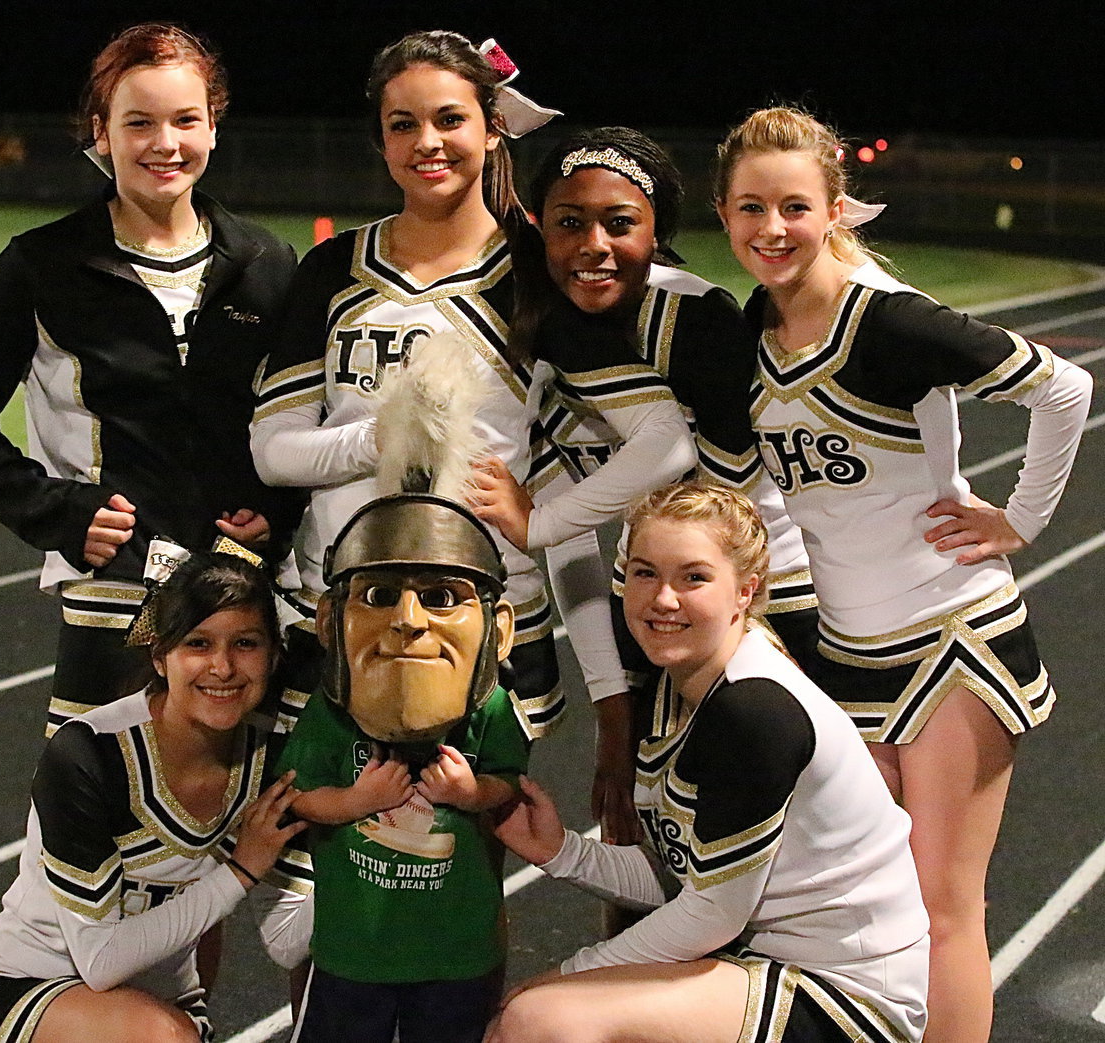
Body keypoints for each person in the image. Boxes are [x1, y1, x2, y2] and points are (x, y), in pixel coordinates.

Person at [713, 106, 1093, 1043]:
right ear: (724, 213)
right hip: (846, 652)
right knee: (866, 904)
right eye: (750, 207)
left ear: (835, 207)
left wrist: (1022, 520)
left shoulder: (886, 320)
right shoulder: (751, 333)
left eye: (794, 207)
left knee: (940, 906)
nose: (771, 228)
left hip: (950, 641)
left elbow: (1065, 387)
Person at [250, 30, 693, 743]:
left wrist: (544, 523)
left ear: (493, 129)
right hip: (339, 610)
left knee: (459, 843)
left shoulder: (533, 274)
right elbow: (274, 452)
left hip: (482, 623)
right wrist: (393, 436)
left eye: (449, 119)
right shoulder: (333, 268)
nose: (428, 141)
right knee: (324, 846)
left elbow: (663, 438)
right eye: (404, 124)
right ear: (382, 141)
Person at [0, 23, 303, 735]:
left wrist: (271, 514)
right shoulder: (44, 264)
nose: (166, 143)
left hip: (244, 597)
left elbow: (297, 420)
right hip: (114, 602)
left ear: (214, 127)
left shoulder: (269, 263)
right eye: (140, 122)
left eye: (187, 119)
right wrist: (54, 511)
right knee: (95, 818)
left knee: (252, 821)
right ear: (101, 132)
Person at [489, 481, 929, 1043]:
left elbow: (713, 914)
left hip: (848, 998)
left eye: (693, 577)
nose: (663, 599)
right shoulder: (680, 682)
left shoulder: (754, 710)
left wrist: (563, 978)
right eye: (645, 573)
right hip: (762, 961)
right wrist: (561, 852)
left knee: (541, 1021)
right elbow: (688, 881)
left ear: (746, 591)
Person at [515, 126, 821, 844]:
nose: (594, 244)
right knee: (638, 832)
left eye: (620, 224)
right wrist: (613, 714)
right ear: (540, 231)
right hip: (654, 600)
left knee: (766, 834)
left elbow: (738, 521)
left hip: (768, 600)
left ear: (659, 232)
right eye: (569, 222)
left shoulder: (696, 319)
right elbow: (570, 537)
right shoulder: (545, 329)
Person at [0, 550, 314, 1043]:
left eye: (246, 643)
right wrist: (240, 872)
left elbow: (285, 940)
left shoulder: (271, 753)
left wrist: (377, 850)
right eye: (198, 643)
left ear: (273, 655)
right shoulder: (90, 754)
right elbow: (101, 961)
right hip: (37, 985)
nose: (223, 666)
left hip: (165, 1005)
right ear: (159, 656)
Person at [277, 493, 529, 1043]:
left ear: (499, 628)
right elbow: (297, 794)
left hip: (456, 953)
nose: (408, 620)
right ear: (329, 620)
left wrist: (470, 792)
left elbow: (509, 784)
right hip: (353, 949)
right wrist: (354, 803)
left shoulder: (492, 709)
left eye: (440, 597)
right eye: (380, 596)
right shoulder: (328, 709)